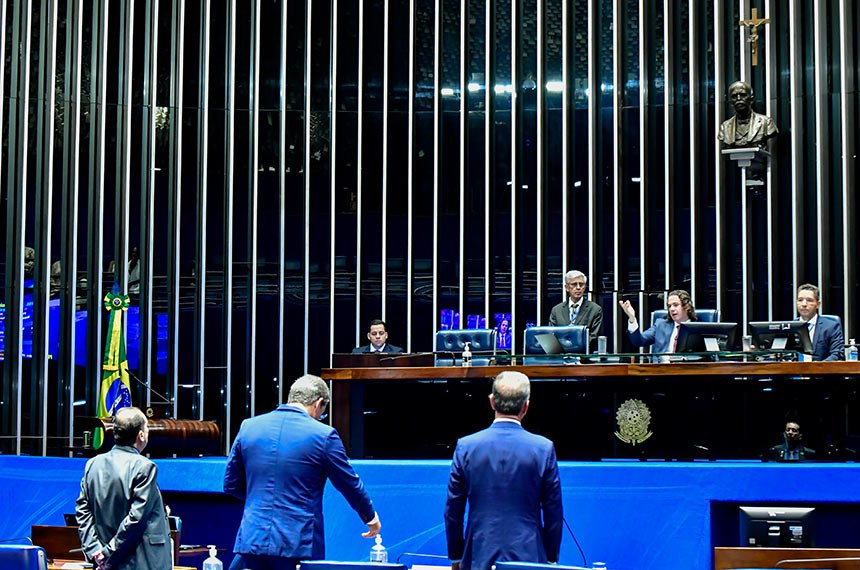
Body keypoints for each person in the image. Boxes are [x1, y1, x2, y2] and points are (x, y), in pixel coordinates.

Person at [224, 374, 381, 570]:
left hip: (252, 538)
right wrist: (370, 517)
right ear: (319, 403)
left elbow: (231, 484)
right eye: (323, 413)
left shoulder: (249, 427)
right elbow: (349, 484)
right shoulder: (323, 435)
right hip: (298, 543)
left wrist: (261, 502)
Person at [444, 371, 563, 570]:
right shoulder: (543, 449)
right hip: (530, 556)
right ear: (526, 406)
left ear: (491, 402)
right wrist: (551, 557)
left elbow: (453, 510)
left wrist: (456, 556)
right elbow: (553, 511)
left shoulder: (466, 447)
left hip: (477, 554)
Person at [75, 407, 173, 570]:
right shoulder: (144, 467)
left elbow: (83, 511)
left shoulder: (93, 464)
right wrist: (107, 554)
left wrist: (94, 550)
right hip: (140, 562)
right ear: (141, 435)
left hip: (104, 563)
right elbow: (136, 518)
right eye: (146, 427)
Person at [618, 289, 697, 354]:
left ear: (687, 306)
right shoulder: (660, 325)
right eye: (669, 306)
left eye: (675, 305)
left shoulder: (698, 328)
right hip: (661, 369)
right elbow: (638, 341)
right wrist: (632, 318)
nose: (672, 309)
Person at [717, 81, 778, 149]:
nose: (739, 98)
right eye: (734, 96)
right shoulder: (725, 127)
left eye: (743, 95)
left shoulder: (766, 122)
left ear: (751, 99)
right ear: (731, 102)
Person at [548, 270, 603, 342]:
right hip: (561, 351)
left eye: (581, 284)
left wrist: (574, 345)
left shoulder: (595, 309)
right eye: (574, 284)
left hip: (585, 351)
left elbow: (594, 336)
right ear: (567, 287)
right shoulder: (556, 310)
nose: (578, 288)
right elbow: (551, 335)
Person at [796, 283, 844, 361]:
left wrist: (817, 367)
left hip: (822, 371)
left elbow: (837, 354)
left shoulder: (831, 326)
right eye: (800, 300)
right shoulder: (790, 327)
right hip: (794, 371)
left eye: (809, 300)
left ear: (818, 304)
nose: (804, 304)